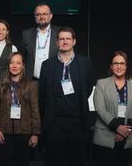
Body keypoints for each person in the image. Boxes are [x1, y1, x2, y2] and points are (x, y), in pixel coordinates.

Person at [38, 27, 95, 166]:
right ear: (56, 42)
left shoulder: (85, 63)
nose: (65, 42)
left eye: (68, 39)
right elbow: (42, 93)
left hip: (78, 122)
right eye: (61, 39)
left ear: (74, 41)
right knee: (54, 161)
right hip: (54, 123)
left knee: (76, 161)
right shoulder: (47, 65)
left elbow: (88, 88)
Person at [92, 50, 132, 166]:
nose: (119, 66)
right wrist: (117, 127)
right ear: (111, 66)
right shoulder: (101, 84)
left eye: (122, 63)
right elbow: (100, 109)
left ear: (127, 66)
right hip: (105, 135)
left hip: (129, 136)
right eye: (116, 63)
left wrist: (125, 131)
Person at [0, 52, 40, 166]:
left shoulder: (31, 85)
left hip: (24, 132)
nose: (14, 66)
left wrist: (35, 134)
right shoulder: (0, 84)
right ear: (8, 65)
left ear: (23, 65)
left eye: (18, 63)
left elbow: (35, 110)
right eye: (12, 62)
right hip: (4, 132)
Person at [21, 3, 61, 80]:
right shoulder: (26, 34)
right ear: (35, 17)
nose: (41, 17)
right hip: (32, 81)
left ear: (51, 16)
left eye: (44, 14)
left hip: (53, 80)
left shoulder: (60, 33)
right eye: (38, 14)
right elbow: (22, 57)